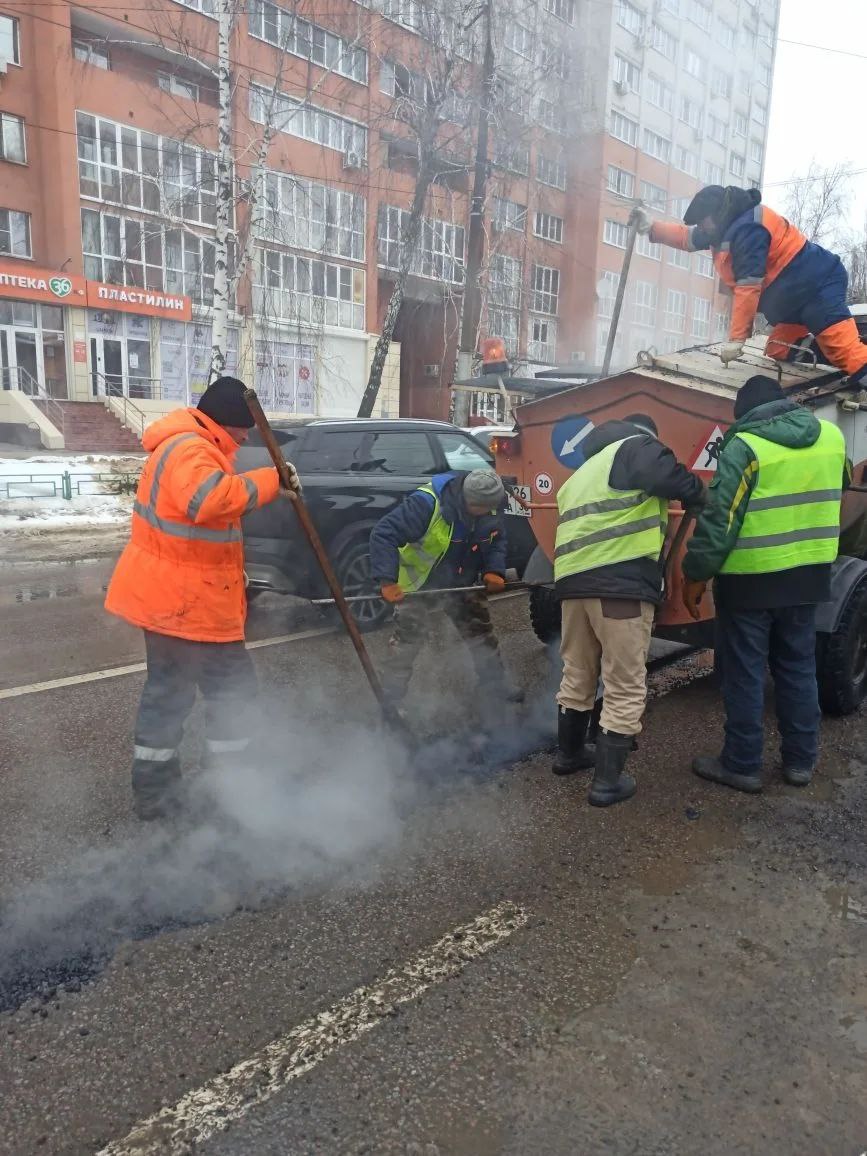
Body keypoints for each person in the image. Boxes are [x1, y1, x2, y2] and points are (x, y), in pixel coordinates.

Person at [105, 376, 299, 820]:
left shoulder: (194, 446)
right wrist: (271, 480)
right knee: (187, 694)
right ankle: (169, 793)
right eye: (242, 427)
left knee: (216, 691)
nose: (246, 435)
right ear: (224, 421)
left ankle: (221, 781)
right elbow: (208, 500)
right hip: (182, 606)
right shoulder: (190, 449)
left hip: (192, 604)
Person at [682, 375, 850, 793]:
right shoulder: (830, 437)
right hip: (808, 577)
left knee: (745, 673)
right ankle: (800, 762)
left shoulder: (745, 446)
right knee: (797, 668)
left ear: (746, 415)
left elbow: (721, 519)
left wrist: (696, 574)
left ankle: (742, 764)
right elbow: (842, 484)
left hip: (750, 582)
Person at [553, 414, 704, 806]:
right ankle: (607, 784)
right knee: (624, 683)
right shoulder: (635, 446)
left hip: (572, 588)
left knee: (578, 671)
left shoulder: (581, 475)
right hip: (618, 586)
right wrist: (696, 491)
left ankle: (569, 755)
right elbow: (666, 474)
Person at [632, 187, 867, 384]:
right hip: (793, 304)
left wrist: (736, 340)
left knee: (848, 354)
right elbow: (687, 237)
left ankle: (850, 370)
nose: (701, 228)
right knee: (778, 351)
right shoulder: (720, 228)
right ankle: (829, 358)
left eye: (703, 223)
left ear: (718, 214)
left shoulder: (750, 229)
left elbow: (748, 287)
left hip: (817, 288)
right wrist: (651, 227)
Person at [369, 468, 522, 710]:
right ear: (466, 500)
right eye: (479, 509)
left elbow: (497, 540)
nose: (485, 513)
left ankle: (494, 684)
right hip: (417, 584)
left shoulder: (491, 506)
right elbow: (384, 534)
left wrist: (495, 570)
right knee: (407, 642)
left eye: (489, 509)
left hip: (460, 582)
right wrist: (387, 580)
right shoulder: (426, 504)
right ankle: (390, 700)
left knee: (480, 631)